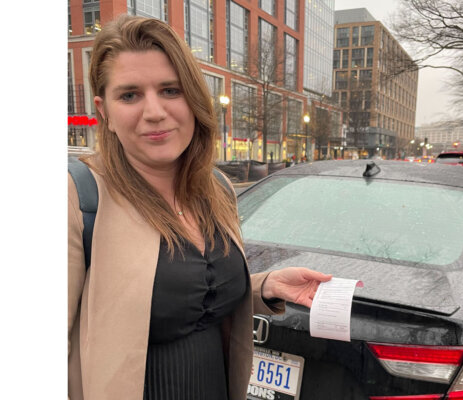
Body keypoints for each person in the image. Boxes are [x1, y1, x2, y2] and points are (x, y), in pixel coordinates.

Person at [68, 15, 332, 400]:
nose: (154, 111)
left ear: (193, 98)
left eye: (170, 90)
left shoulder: (217, 188)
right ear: (103, 110)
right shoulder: (79, 197)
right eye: (129, 95)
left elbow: (191, 293)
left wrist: (265, 286)